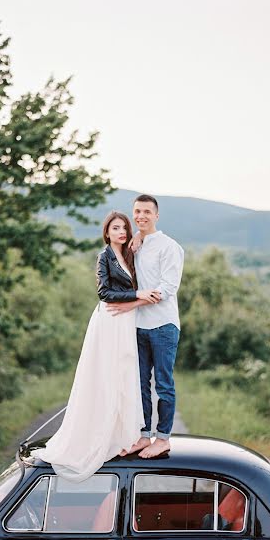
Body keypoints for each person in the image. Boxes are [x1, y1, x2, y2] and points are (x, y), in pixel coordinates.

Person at [34, 211, 161, 481]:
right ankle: (100, 433)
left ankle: (124, 434)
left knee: (127, 374)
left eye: (124, 228)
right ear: (107, 232)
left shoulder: (129, 255)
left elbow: (141, 254)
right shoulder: (104, 257)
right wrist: (137, 294)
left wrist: (138, 237)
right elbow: (103, 293)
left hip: (126, 321)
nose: (121, 232)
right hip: (109, 321)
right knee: (107, 374)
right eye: (116, 228)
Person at [107, 194, 184, 458]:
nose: (141, 216)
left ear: (156, 215)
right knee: (139, 383)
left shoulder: (169, 246)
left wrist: (131, 304)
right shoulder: (135, 244)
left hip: (163, 325)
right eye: (137, 212)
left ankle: (162, 438)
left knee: (163, 384)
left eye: (147, 212)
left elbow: (168, 288)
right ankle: (143, 435)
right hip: (138, 327)